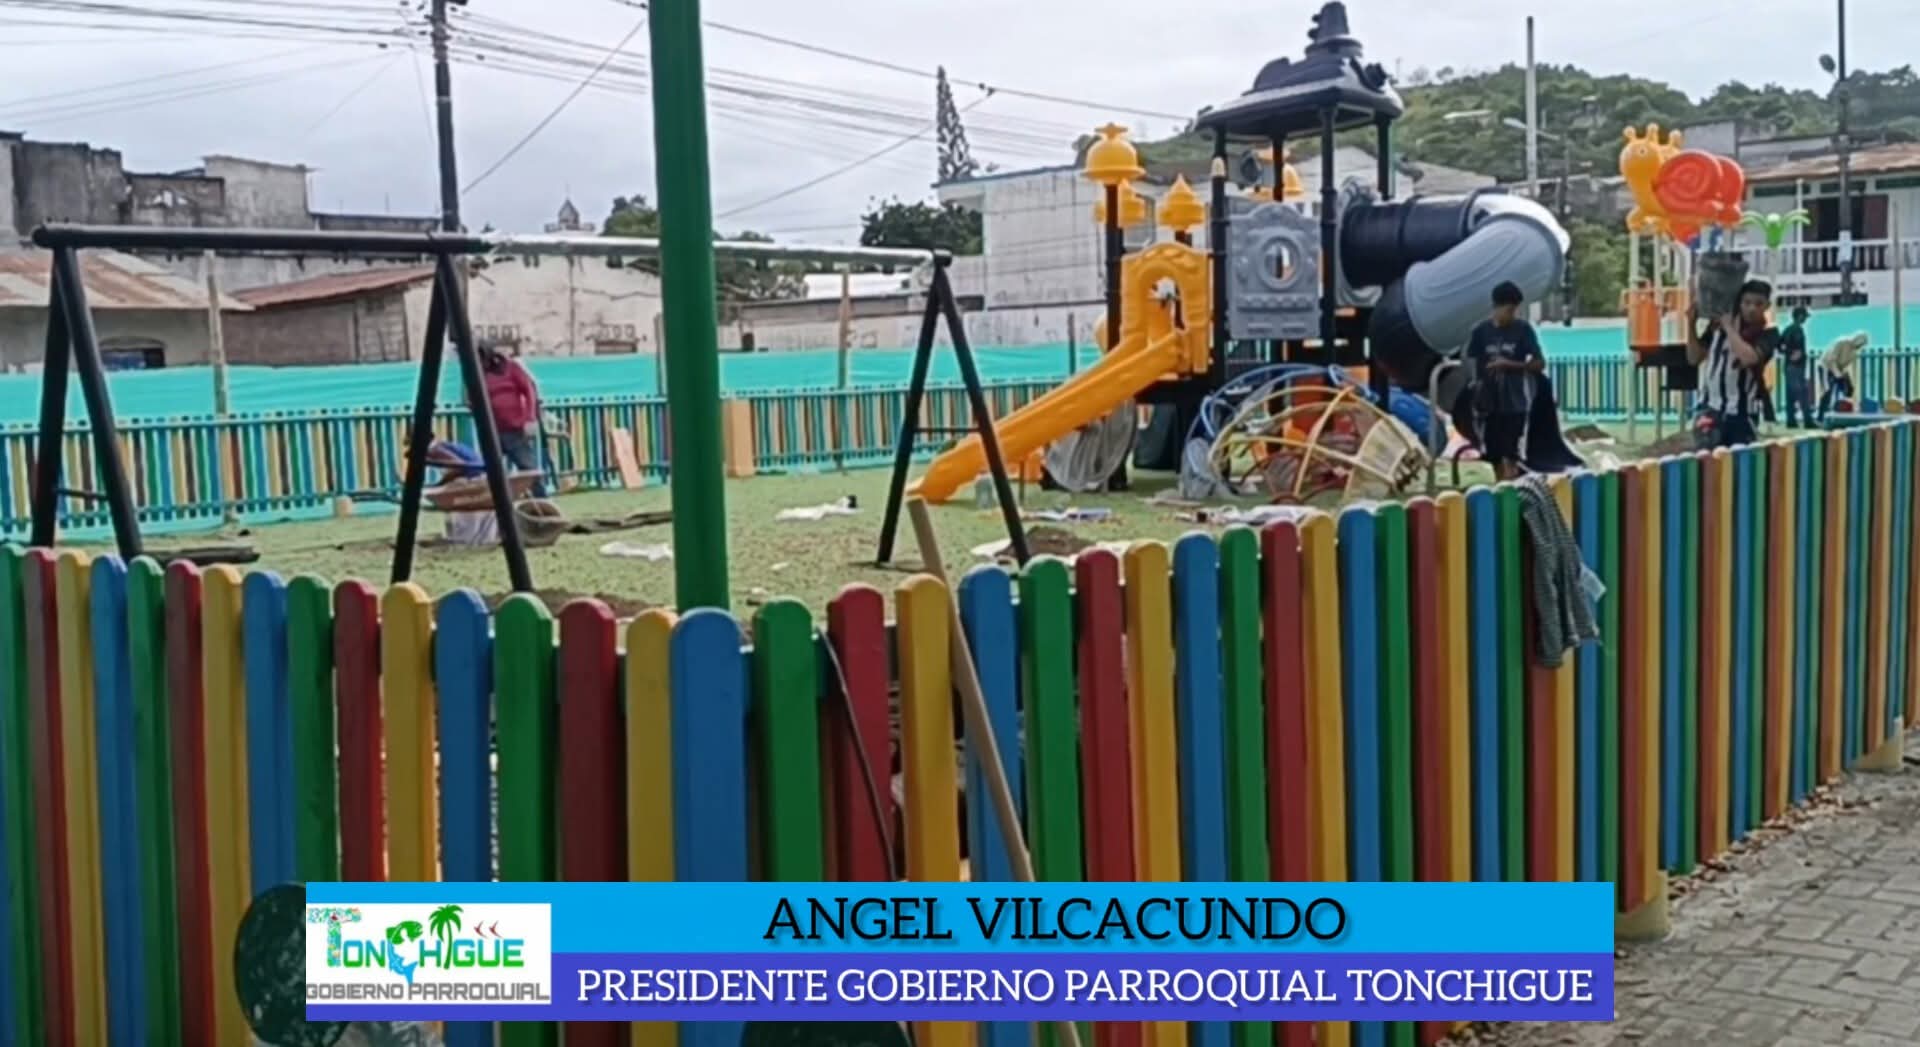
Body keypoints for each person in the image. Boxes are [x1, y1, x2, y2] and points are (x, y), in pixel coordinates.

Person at [1465, 281, 1545, 480]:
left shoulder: (1523, 330)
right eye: (1509, 310)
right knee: (1493, 454)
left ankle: (1513, 482)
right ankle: (1501, 485)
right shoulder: (1480, 332)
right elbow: (1471, 363)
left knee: (1511, 453)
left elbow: (1539, 363)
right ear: (1496, 307)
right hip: (1489, 404)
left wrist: (1511, 365)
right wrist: (1476, 387)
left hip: (1514, 403)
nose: (1512, 315)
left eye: (1515, 310)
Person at [1685, 278, 1777, 449]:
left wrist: (1729, 328)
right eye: (1747, 303)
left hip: (1741, 414)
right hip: (1710, 408)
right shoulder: (1716, 330)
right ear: (1739, 303)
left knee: (1739, 461)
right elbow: (1693, 358)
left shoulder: (1768, 333)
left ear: (1767, 306)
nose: (1752, 309)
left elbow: (1749, 358)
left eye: (1758, 304)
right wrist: (1691, 324)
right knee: (1707, 458)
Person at [470, 338, 547, 496]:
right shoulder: (475, 374)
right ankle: (499, 504)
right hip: (490, 430)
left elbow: (529, 389)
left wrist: (530, 418)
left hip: (514, 429)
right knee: (493, 471)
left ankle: (542, 502)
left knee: (528, 469)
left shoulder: (511, 367)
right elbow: (469, 399)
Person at [1817, 332, 1867, 422]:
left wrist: (1845, 378)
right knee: (1827, 390)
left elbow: (1843, 366)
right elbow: (1831, 360)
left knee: (1849, 390)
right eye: (1861, 344)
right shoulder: (1841, 342)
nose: (1860, 346)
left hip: (1838, 369)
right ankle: (1821, 417)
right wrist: (1838, 375)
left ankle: (1841, 411)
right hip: (1826, 366)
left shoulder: (1853, 352)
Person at [1779, 305, 1812, 427]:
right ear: (1800, 316)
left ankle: (1791, 420)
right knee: (1802, 393)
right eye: (1804, 317)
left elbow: (1778, 344)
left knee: (1790, 395)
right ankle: (1807, 420)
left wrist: (1787, 352)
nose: (1805, 319)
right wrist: (1795, 354)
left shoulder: (1787, 329)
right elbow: (1799, 348)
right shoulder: (1797, 330)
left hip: (1788, 365)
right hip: (1797, 367)